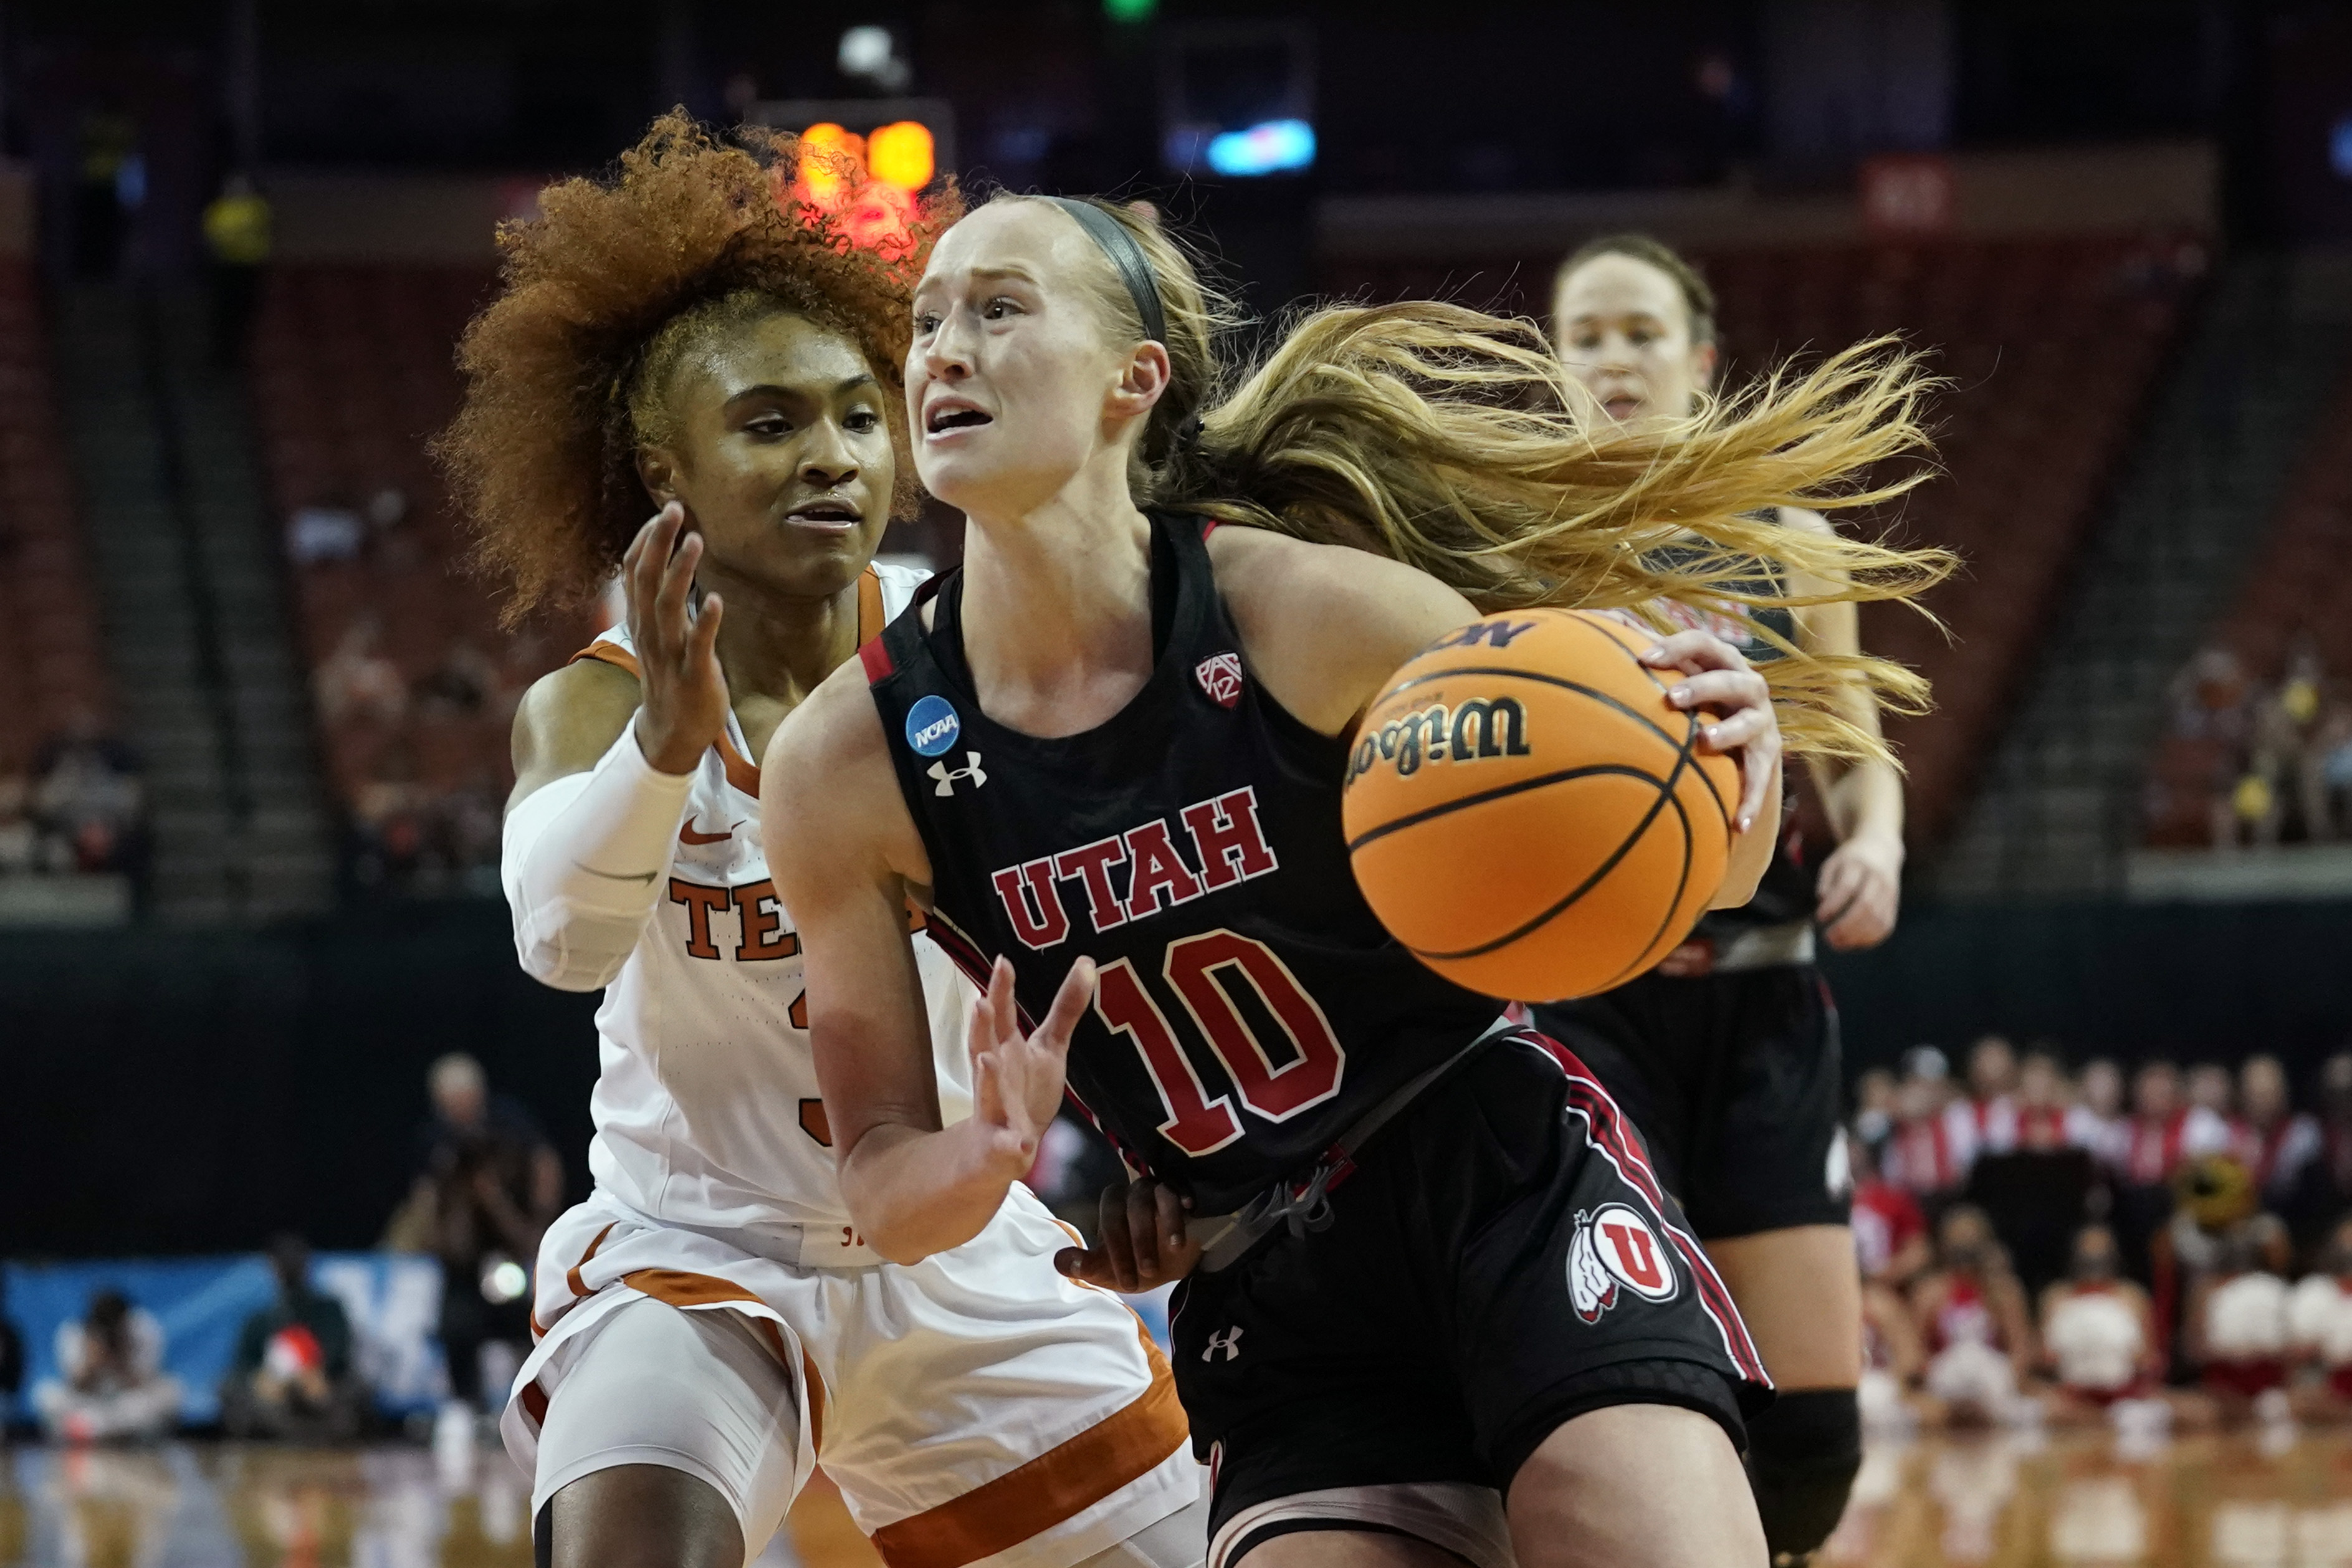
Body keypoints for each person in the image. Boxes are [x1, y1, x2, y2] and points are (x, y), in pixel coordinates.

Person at [765, 191, 1946, 1567]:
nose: (941, 352)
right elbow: (878, 1177)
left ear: (1130, 382)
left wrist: (1728, 779)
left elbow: (1655, 853)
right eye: (926, 322)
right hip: (1274, 1285)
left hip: (1495, 1171)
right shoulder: (845, 763)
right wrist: (978, 1158)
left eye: (999, 309)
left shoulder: (1297, 614)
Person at [439, 115, 1206, 1568]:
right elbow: (560, 943)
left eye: (861, 413)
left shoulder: (972, 636)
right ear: (667, 469)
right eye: (770, 422)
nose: (836, 457)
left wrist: (1165, 1158)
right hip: (699, 1259)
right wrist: (665, 747)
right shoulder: (590, 705)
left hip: (965, 1243)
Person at [1532, 234, 1921, 1562]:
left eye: (1640, 331)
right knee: (1642, 1381)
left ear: (1699, 357)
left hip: (1761, 990)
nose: (1612, 358)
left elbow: (1853, 743)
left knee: (1813, 1449)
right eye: (1585, 334)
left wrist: (1879, 842)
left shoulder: (1786, 539)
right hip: (1585, 1012)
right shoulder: (1508, 535)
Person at [393, 1053, 562, 1426]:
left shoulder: (510, 1123)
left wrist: (538, 1218)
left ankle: (537, 1404)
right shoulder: (435, 1140)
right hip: (461, 1260)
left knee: (528, 1321)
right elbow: (423, 1196)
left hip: (509, 1251)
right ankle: (465, 1407)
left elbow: (544, 1164)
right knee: (456, 1326)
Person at [221, 1235, 365, 1441]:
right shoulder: (260, 1320)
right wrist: (263, 1379)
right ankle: (275, 1432)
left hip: (320, 1389)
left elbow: (339, 1352)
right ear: (271, 1266)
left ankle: (320, 1433)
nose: (289, 1267)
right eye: (281, 1261)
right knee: (231, 1389)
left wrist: (314, 1374)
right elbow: (244, 1363)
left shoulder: (330, 1310)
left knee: (355, 1388)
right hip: (273, 1394)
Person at [1908, 1207, 2034, 1427]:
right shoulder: (1929, 1291)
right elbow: (1916, 1351)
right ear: (1945, 1246)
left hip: (1993, 1386)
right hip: (1946, 1386)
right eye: (1957, 1243)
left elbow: (2021, 1350)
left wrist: (2002, 1387)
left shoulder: (2003, 1291)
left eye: (1970, 1243)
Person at [2037, 1225, 2162, 1423]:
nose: (2094, 1262)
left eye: (2101, 1254)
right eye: (2087, 1255)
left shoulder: (2132, 1296)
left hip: (2124, 1395)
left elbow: (2149, 1358)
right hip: (2070, 1396)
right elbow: (2045, 1358)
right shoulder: (2057, 1297)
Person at [32, 1289, 182, 1443]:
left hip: (130, 1400)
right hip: (90, 1400)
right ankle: (97, 1430)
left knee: (170, 1392)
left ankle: (100, 1431)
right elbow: (76, 1384)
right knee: (46, 1396)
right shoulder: (74, 1332)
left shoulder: (144, 1329)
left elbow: (142, 1381)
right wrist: (94, 1361)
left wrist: (121, 1358)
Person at [201, 172, 272, 366]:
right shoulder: (217, 211)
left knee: (247, 314)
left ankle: (244, 355)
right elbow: (212, 239)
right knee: (224, 315)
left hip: (249, 268)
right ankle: (222, 357)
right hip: (225, 269)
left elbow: (263, 231)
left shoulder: (257, 209)